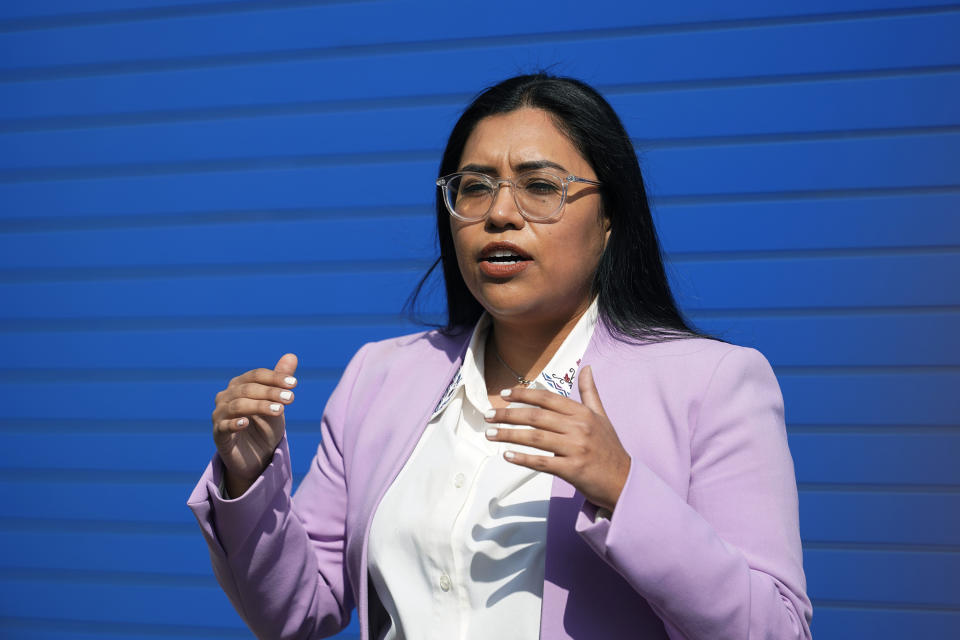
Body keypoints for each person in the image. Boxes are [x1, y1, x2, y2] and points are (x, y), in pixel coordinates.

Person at [188, 73, 813, 639]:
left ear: (610, 219)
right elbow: (299, 610)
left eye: (541, 186)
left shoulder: (712, 383)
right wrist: (248, 480)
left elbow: (778, 629)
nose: (500, 214)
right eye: (475, 188)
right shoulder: (380, 378)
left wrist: (624, 489)